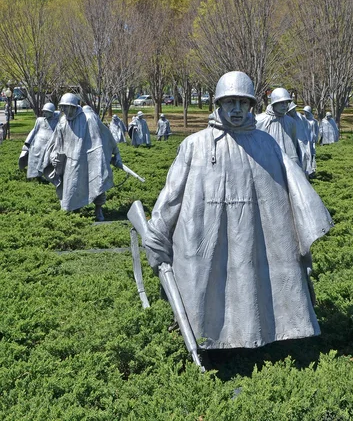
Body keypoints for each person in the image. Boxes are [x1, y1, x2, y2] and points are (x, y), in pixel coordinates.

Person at [143, 71, 333, 351]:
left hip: (256, 239)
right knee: (209, 289)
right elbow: (171, 196)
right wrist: (157, 235)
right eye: (229, 102)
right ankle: (208, 343)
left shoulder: (266, 144)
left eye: (243, 103)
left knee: (252, 283)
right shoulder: (195, 145)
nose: (236, 110)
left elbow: (294, 194)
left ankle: (261, 338)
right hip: (206, 237)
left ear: (251, 106)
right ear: (218, 104)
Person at [42, 93, 123, 221]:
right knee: (71, 187)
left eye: (68, 107)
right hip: (70, 162)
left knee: (97, 183)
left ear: (75, 107)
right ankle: (74, 211)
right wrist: (53, 156)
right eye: (63, 107)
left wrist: (116, 152)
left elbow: (105, 135)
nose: (66, 111)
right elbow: (56, 143)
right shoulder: (62, 122)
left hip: (91, 158)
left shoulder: (89, 118)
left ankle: (98, 209)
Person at [255, 87, 299, 165]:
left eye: (286, 103)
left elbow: (294, 143)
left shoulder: (291, 121)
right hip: (268, 163)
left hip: (289, 163)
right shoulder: (260, 120)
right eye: (281, 103)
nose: (285, 106)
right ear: (274, 103)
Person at [19, 103, 60, 178]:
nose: (46, 113)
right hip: (37, 144)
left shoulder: (56, 121)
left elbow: (60, 115)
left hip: (48, 145)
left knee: (45, 161)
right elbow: (34, 131)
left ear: (52, 112)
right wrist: (27, 143)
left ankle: (46, 176)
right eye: (45, 111)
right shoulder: (39, 120)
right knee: (33, 157)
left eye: (48, 112)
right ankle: (33, 176)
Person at [287, 102, 314, 176]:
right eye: (291, 110)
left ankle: (305, 174)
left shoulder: (299, 116)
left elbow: (307, 126)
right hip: (293, 141)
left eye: (294, 109)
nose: (293, 111)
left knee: (304, 156)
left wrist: (309, 138)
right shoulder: (287, 118)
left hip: (303, 140)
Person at [302, 105, 319, 172]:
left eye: (307, 112)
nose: (305, 113)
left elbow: (316, 131)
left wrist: (316, 138)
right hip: (304, 140)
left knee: (311, 154)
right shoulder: (302, 119)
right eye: (304, 111)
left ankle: (311, 168)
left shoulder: (313, 121)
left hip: (311, 140)